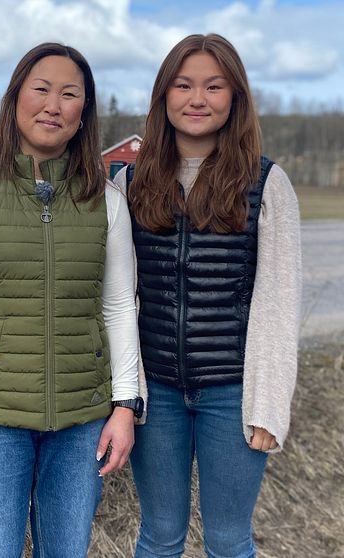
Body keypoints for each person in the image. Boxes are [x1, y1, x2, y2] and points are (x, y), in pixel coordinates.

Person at [0, 43, 143, 557]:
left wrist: (125, 406)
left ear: (83, 113)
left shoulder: (107, 201)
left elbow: (118, 307)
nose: (54, 105)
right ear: (16, 98)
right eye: (41, 89)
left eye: (70, 95)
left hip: (82, 419)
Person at [119, 33, 301, 558]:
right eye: (184, 84)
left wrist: (269, 407)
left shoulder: (267, 184)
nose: (198, 98)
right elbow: (120, 297)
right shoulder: (129, 184)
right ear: (163, 96)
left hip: (233, 395)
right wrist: (124, 395)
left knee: (227, 540)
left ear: (235, 97)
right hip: (156, 397)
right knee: (159, 538)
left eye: (214, 86)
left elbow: (278, 301)